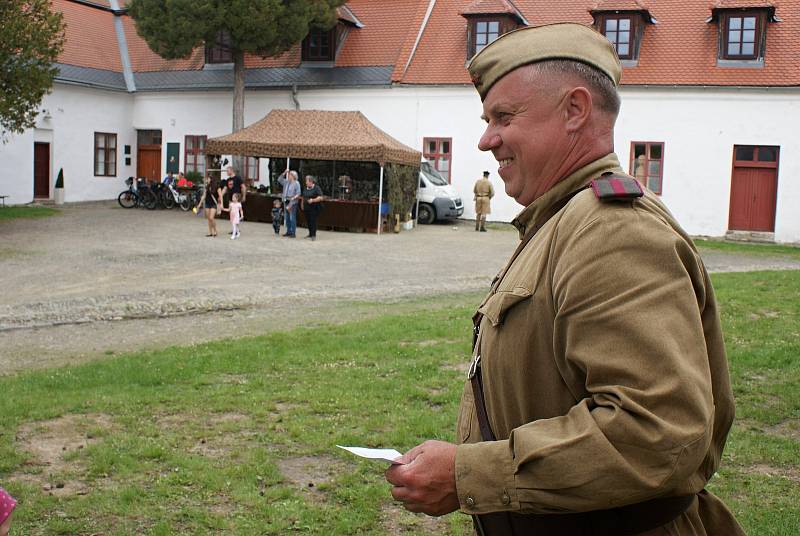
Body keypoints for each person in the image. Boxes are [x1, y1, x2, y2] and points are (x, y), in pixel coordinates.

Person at [385, 23, 743, 536]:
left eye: (504, 117)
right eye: (488, 120)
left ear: (575, 110)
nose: (486, 140)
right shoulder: (564, 221)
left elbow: (655, 431)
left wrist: (468, 473)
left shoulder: (612, 230)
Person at [278, 170, 301, 238]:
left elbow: (298, 193)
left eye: (290, 175)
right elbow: (279, 179)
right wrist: (284, 173)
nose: (288, 176)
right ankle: (288, 231)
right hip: (286, 200)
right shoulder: (286, 182)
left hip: (293, 202)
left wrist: (294, 198)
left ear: (293, 176)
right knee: (287, 217)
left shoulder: (297, 183)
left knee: (292, 217)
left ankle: (293, 233)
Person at [301, 175, 324, 241]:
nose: (306, 182)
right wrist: (302, 204)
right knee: (308, 221)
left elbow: (321, 197)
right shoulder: (306, 188)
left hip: (314, 208)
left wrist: (313, 200)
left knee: (313, 221)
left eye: (307, 181)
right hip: (306, 208)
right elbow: (303, 197)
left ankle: (313, 235)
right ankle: (310, 233)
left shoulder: (317, 188)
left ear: (311, 181)